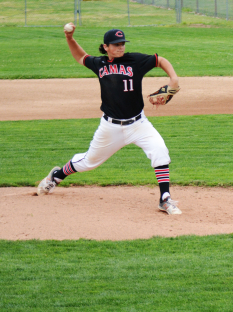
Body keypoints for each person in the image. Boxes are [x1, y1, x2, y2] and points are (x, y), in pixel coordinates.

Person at [37, 26, 183, 215]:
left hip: (139, 124)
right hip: (110, 127)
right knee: (89, 162)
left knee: (160, 151)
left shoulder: (135, 60)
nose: (120, 47)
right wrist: (70, 38)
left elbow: (160, 60)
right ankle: (57, 175)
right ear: (106, 46)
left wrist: (174, 78)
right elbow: (81, 57)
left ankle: (165, 199)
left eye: (122, 43)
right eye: (116, 44)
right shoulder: (100, 63)